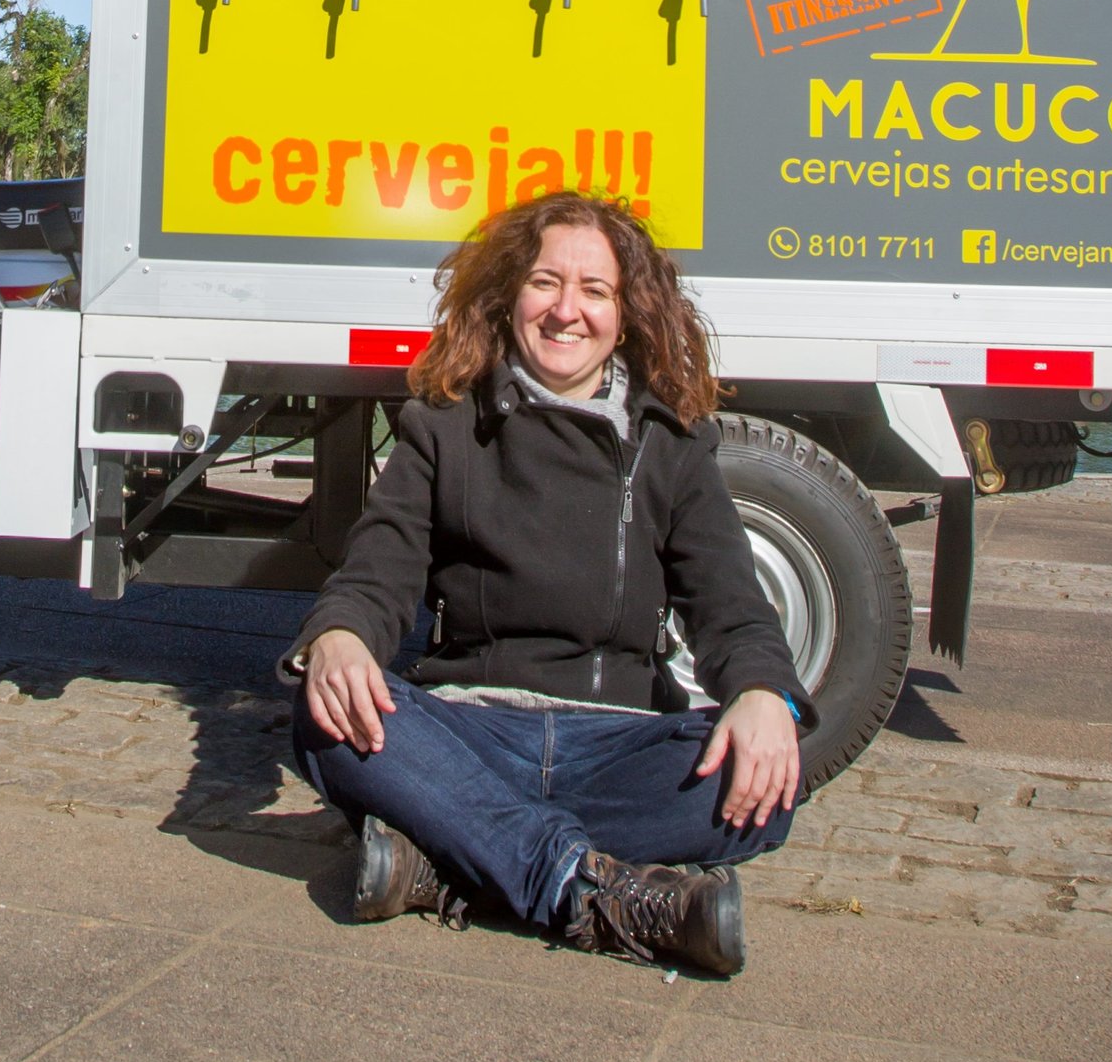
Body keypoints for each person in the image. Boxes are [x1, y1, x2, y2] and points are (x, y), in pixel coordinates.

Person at [283, 191, 812, 976]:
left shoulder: (671, 442)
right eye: (544, 283)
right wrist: (338, 637)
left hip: (619, 739)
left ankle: (448, 864)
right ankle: (594, 892)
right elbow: (378, 569)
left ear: (626, 313)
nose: (567, 311)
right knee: (326, 718)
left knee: (765, 779)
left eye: (594, 290)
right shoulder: (442, 424)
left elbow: (730, 604)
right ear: (509, 297)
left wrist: (764, 691)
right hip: (474, 730)